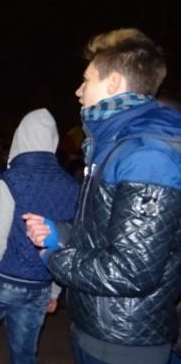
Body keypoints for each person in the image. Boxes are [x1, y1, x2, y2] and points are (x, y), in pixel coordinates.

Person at [24, 28, 181, 364]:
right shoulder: (114, 146)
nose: (78, 91)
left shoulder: (147, 154)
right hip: (99, 327)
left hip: (124, 341)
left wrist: (55, 258)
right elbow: (108, 234)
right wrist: (60, 231)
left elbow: (131, 270)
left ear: (113, 84)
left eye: (86, 80)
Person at [0, 109, 79, 364]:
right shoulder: (72, 186)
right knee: (24, 355)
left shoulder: (10, 180)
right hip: (41, 284)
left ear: (21, 136)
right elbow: (67, 243)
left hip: (5, 282)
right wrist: (54, 292)